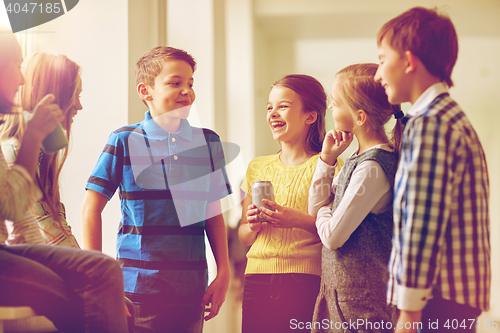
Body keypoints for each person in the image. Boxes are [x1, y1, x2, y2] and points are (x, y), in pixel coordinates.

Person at [81, 46, 232, 332]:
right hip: (135, 291)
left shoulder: (207, 143)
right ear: (145, 91)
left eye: (190, 83)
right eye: (175, 83)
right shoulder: (123, 140)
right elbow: (91, 208)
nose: (186, 91)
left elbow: (213, 214)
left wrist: (223, 272)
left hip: (191, 292)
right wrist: (98, 279)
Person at [0, 26, 128, 333]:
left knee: (105, 278)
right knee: (102, 276)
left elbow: (43, 225)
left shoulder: (37, 149)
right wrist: (33, 138)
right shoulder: (15, 145)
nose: (80, 106)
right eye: (76, 94)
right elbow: (17, 212)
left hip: (12, 251)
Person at [374, 7, 490, 333]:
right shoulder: (446, 117)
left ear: (408, 62)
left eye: (382, 60)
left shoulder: (430, 124)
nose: (377, 74)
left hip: (435, 298)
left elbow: (421, 220)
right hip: (451, 295)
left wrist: (409, 311)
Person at [238, 74, 343, 333]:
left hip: (306, 281)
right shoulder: (256, 166)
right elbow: (243, 236)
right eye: (269, 107)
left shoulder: (331, 165)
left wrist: (297, 220)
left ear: (311, 116)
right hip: (256, 279)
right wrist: (252, 225)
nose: (273, 113)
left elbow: (339, 233)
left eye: (283, 106)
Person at [308, 63, 401, 332]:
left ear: (359, 117)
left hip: (360, 303)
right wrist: (327, 160)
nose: (330, 109)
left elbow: (332, 236)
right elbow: (315, 208)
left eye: (335, 103)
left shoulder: (373, 167)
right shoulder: (356, 160)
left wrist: (326, 208)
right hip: (338, 295)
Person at [1, 52, 82, 248]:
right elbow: (37, 232)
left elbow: (57, 225)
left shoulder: (42, 152)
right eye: (75, 96)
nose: (79, 106)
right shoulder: (13, 150)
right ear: (53, 96)